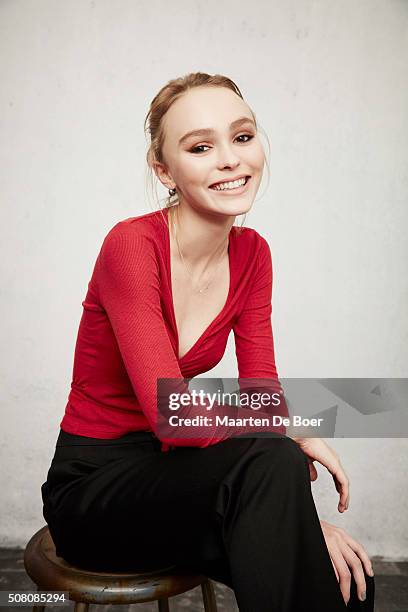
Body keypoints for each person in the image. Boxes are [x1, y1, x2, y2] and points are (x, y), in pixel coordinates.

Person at [41, 72, 375, 611]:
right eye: (200, 146)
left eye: (242, 137)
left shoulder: (253, 255)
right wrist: (287, 428)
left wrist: (301, 522)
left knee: (348, 583)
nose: (230, 159)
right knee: (273, 460)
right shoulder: (131, 246)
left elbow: (261, 392)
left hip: (183, 477)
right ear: (164, 169)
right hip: (95, 490)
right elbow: (172, 413)